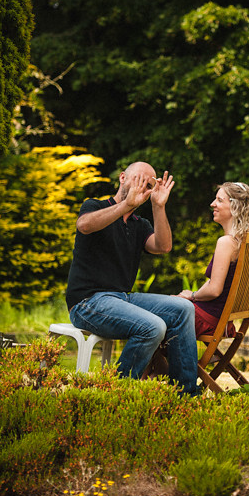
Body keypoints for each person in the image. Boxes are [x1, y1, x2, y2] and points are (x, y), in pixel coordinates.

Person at [64, 162, 198, 393]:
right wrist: (126, 204)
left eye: (148, 184)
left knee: (183, 308)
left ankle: (185, 395)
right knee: (153, 326)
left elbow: (163, 246)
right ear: (123, 177)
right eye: (137, 178)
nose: (141, 185)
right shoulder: (94, 206)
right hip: (87, 303)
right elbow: (84, 226)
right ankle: (118, 392)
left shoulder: (139, 225)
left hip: (122, 299)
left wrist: (158, 206)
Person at [177, 182, 249, 337]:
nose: (213, 204)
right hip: (222, 322)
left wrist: (191, 295)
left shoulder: (227, 243)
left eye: (219, 200)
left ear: (235, 207)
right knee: (169, 305)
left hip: (206, 321)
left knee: (155, 316)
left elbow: (214, 290)